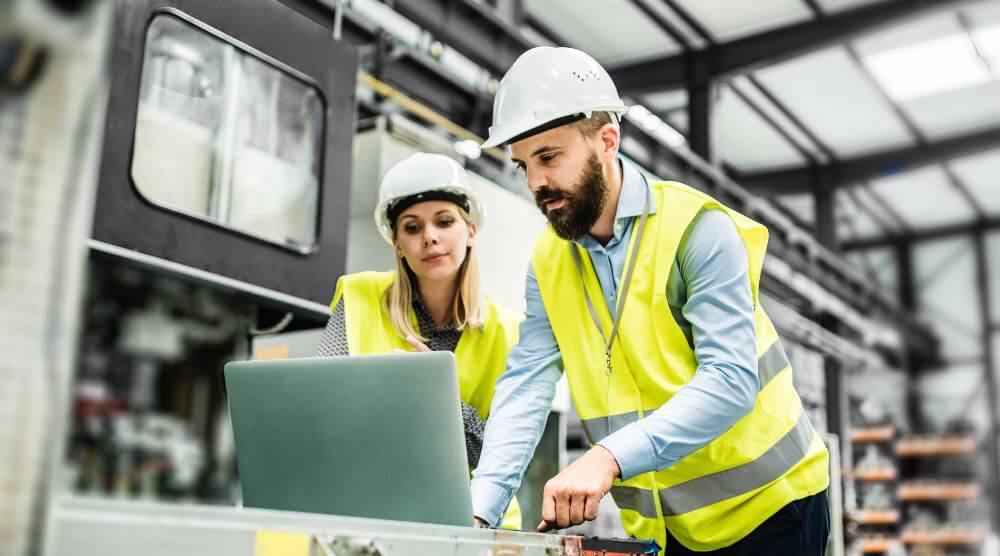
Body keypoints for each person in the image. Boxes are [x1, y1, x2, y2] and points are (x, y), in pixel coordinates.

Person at [470, 47, 830, 554]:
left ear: (607, 141)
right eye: (523, 164)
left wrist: (607, 459)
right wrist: (480, 506)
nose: (534, 183)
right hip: (667, 524)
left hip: (771, 507)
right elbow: (527, 382)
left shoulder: (696, 231)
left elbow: (731, 379)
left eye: (549, 158)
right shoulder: (548, 262)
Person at [315, 152, 522, 530]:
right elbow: (322, 409)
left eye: (444, 222)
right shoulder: (359, 298)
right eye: (412, 228)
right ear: (397, 243)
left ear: (470, 230)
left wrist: (437, 396)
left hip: (477, 522)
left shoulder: (508, 330)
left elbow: (502, 451)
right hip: (375, 513)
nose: (430, 237)